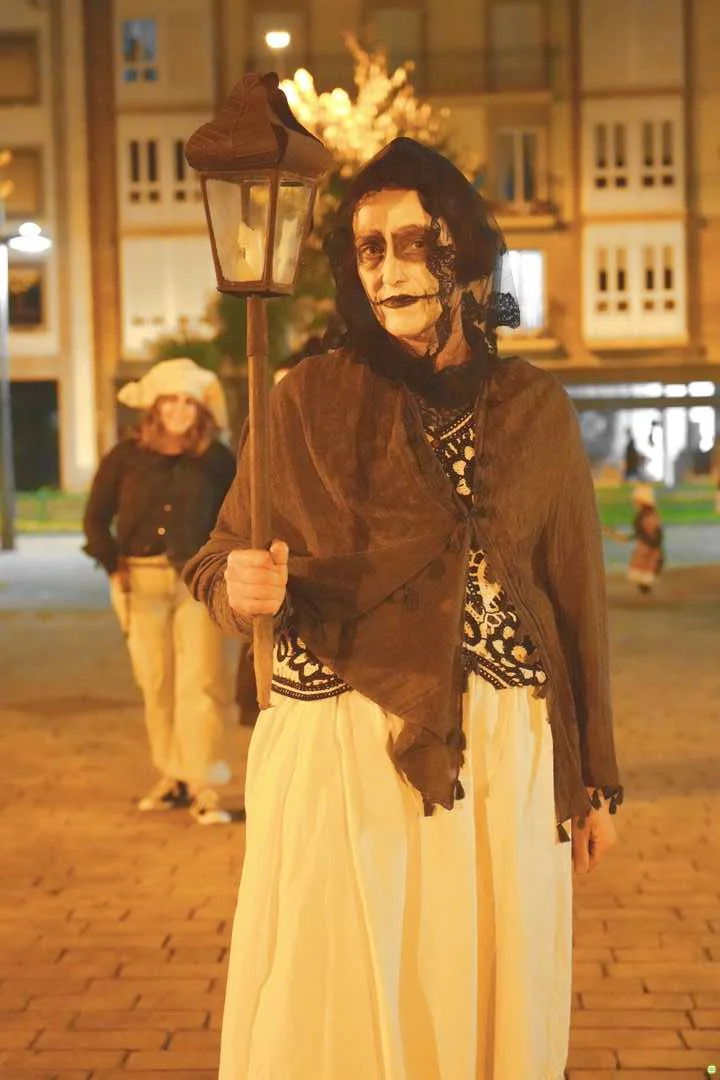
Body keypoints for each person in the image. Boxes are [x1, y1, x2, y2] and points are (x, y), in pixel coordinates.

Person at [185, 139, 622, 1079]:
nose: (388, 269)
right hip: (341, 749)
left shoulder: (536, 409)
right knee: (338, 997)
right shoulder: (302, 398)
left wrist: (592, 780)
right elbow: (219, 556)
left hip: (502, 754)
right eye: (369, 248)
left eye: (415, 242)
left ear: (465, 250)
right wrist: (236, 587)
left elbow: (576, 595)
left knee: (477, 997)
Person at [83, 357, 239, 824]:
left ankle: (205, 784)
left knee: (202, 681)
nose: (178, 410)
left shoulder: (216, 460)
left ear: (201, 410)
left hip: (196, 584)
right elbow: (95, 516)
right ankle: (173, 776)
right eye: (169, 401)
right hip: (139, 581)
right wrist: (111, 563)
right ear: (154, 408)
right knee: (156, 682)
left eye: (188, 402)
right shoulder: (126, 456)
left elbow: (237, 517)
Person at [607, 483, 664, 594]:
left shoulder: (649, 516)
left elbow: (651, 535)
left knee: (642, 572)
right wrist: (630, 538)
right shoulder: (644, 515)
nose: (634, 502)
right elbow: (642, 533)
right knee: (640, 573)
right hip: (646, 548)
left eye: (636, 500)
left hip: (648, 550)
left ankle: (646, 586)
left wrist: (631, 539)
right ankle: (645, 587)